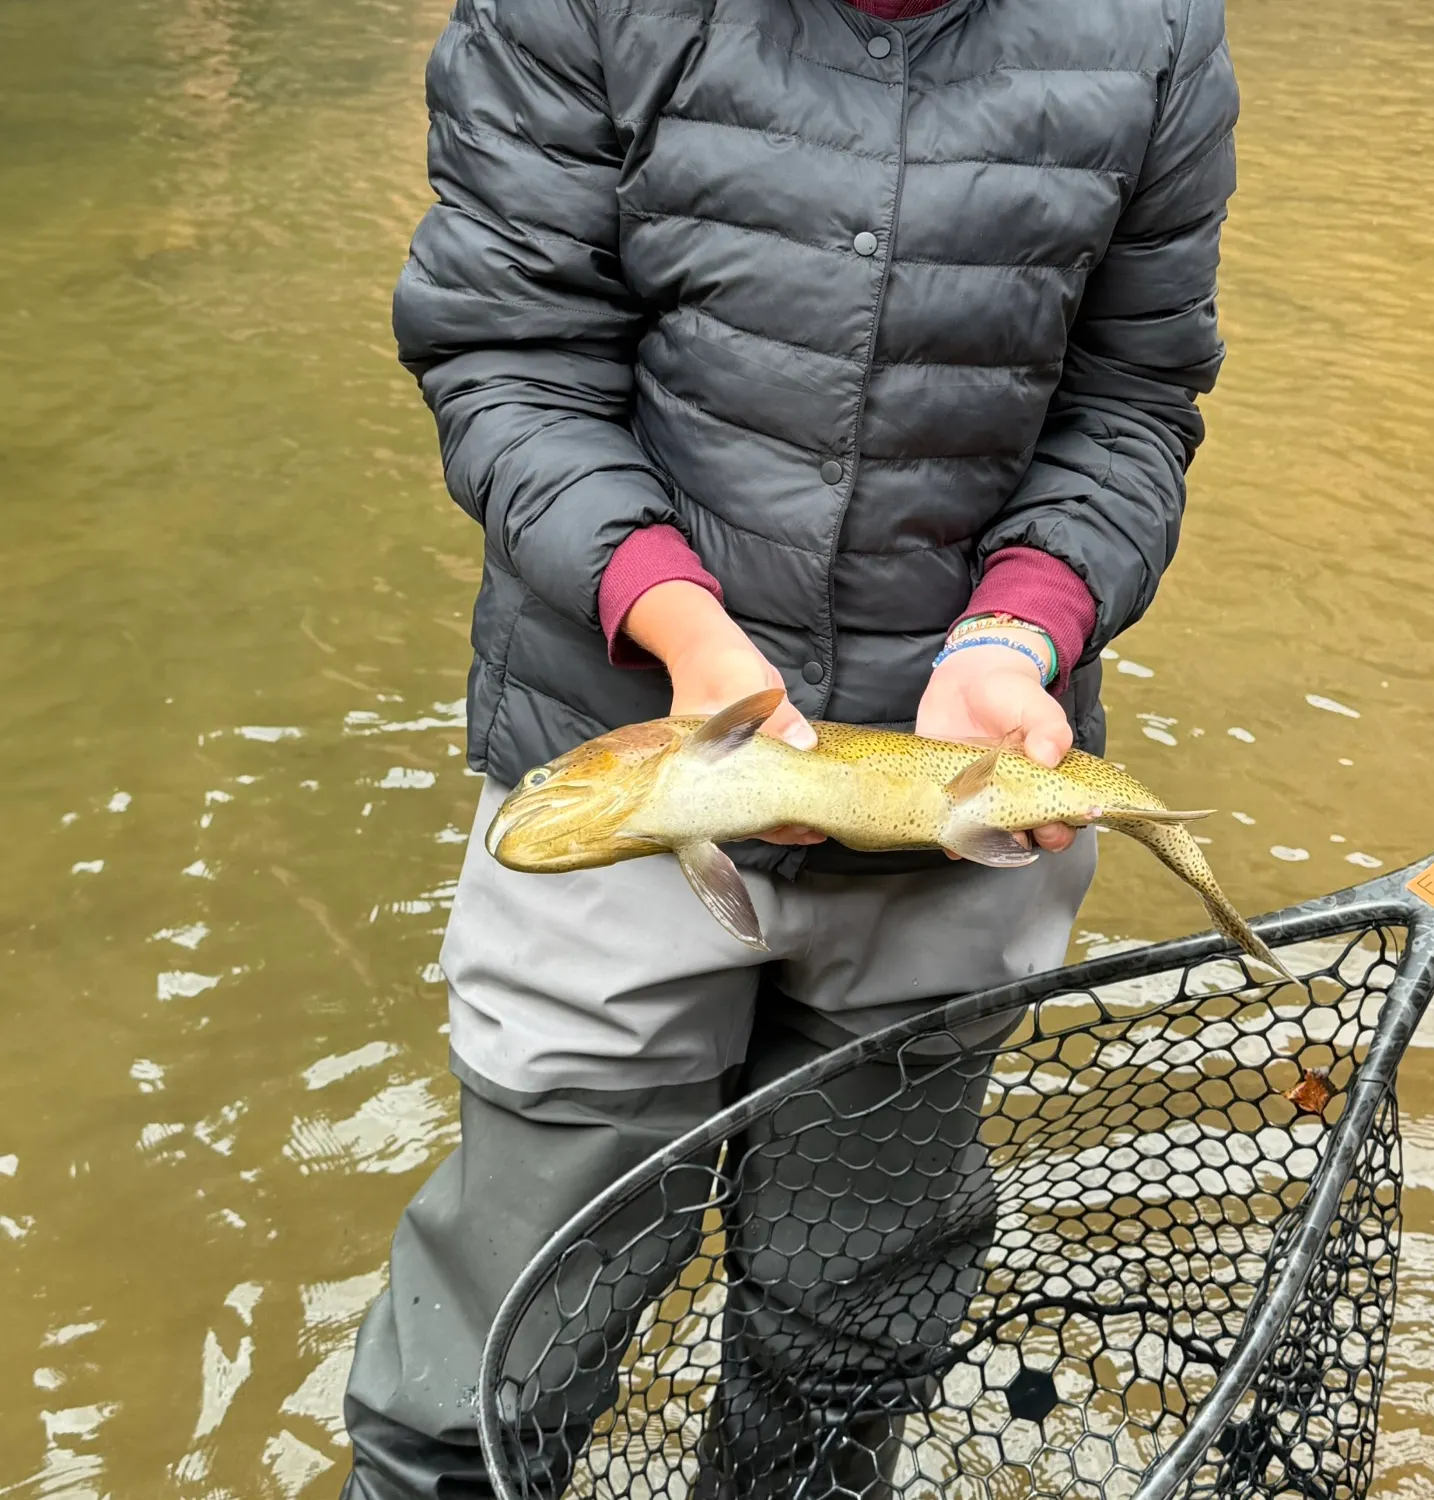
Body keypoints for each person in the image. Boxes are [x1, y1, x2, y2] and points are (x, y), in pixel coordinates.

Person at [340, 0, 1238, 1492]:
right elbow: (506, 355)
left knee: (849, 1326)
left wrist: (1021, 631)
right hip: (622, 747)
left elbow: (1134, 403)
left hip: (969, 794)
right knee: (501, 1335)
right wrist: (679, 625)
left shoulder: (1152, 33)